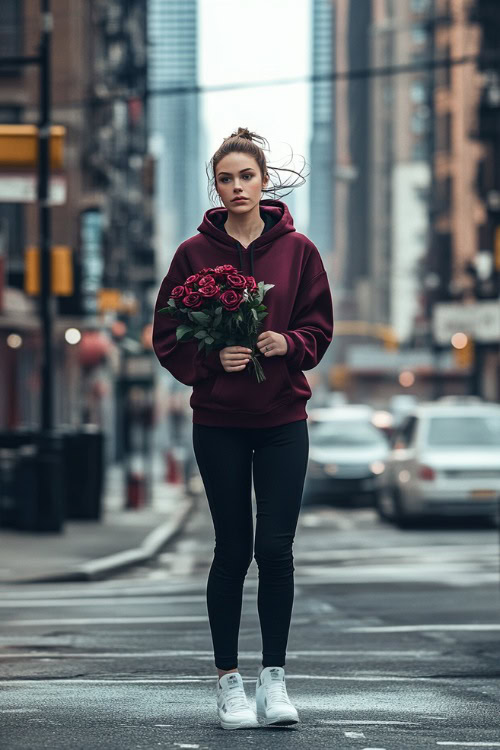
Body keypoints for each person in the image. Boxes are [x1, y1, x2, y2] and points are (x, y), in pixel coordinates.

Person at [152, 127, 334, 730]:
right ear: (217, 185)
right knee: (231, 550)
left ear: (264, 182)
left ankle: (273, 682)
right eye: (226, 178)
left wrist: (288, 342)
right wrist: (212, 360)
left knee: (275, 549)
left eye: (246, 176)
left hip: (283, 418)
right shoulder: (192, 255)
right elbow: (167, 334)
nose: (237, 187)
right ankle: (229, 683)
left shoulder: (299, 250)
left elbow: (318, 328)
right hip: (220, 422)